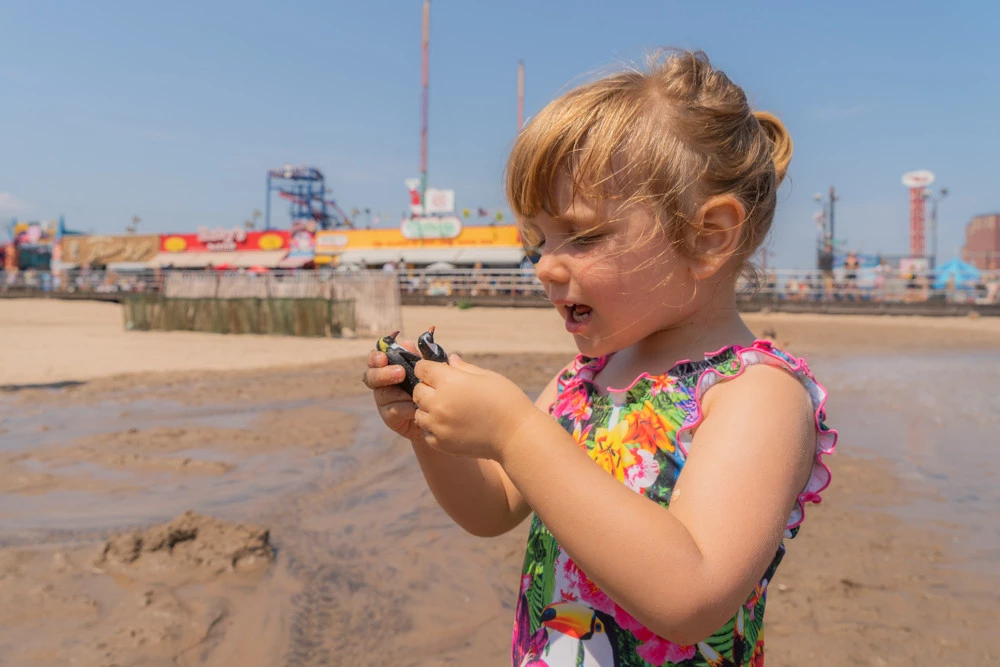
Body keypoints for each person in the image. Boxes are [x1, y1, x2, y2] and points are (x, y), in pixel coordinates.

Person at [364, 49, 836, 666]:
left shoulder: (757, 395)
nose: (546, 267)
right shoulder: (581, 381)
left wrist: (513, 431)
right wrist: (428, 428)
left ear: (708, 236)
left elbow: (691, 597)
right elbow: (492, 508)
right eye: (537, 242)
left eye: (583, 236)